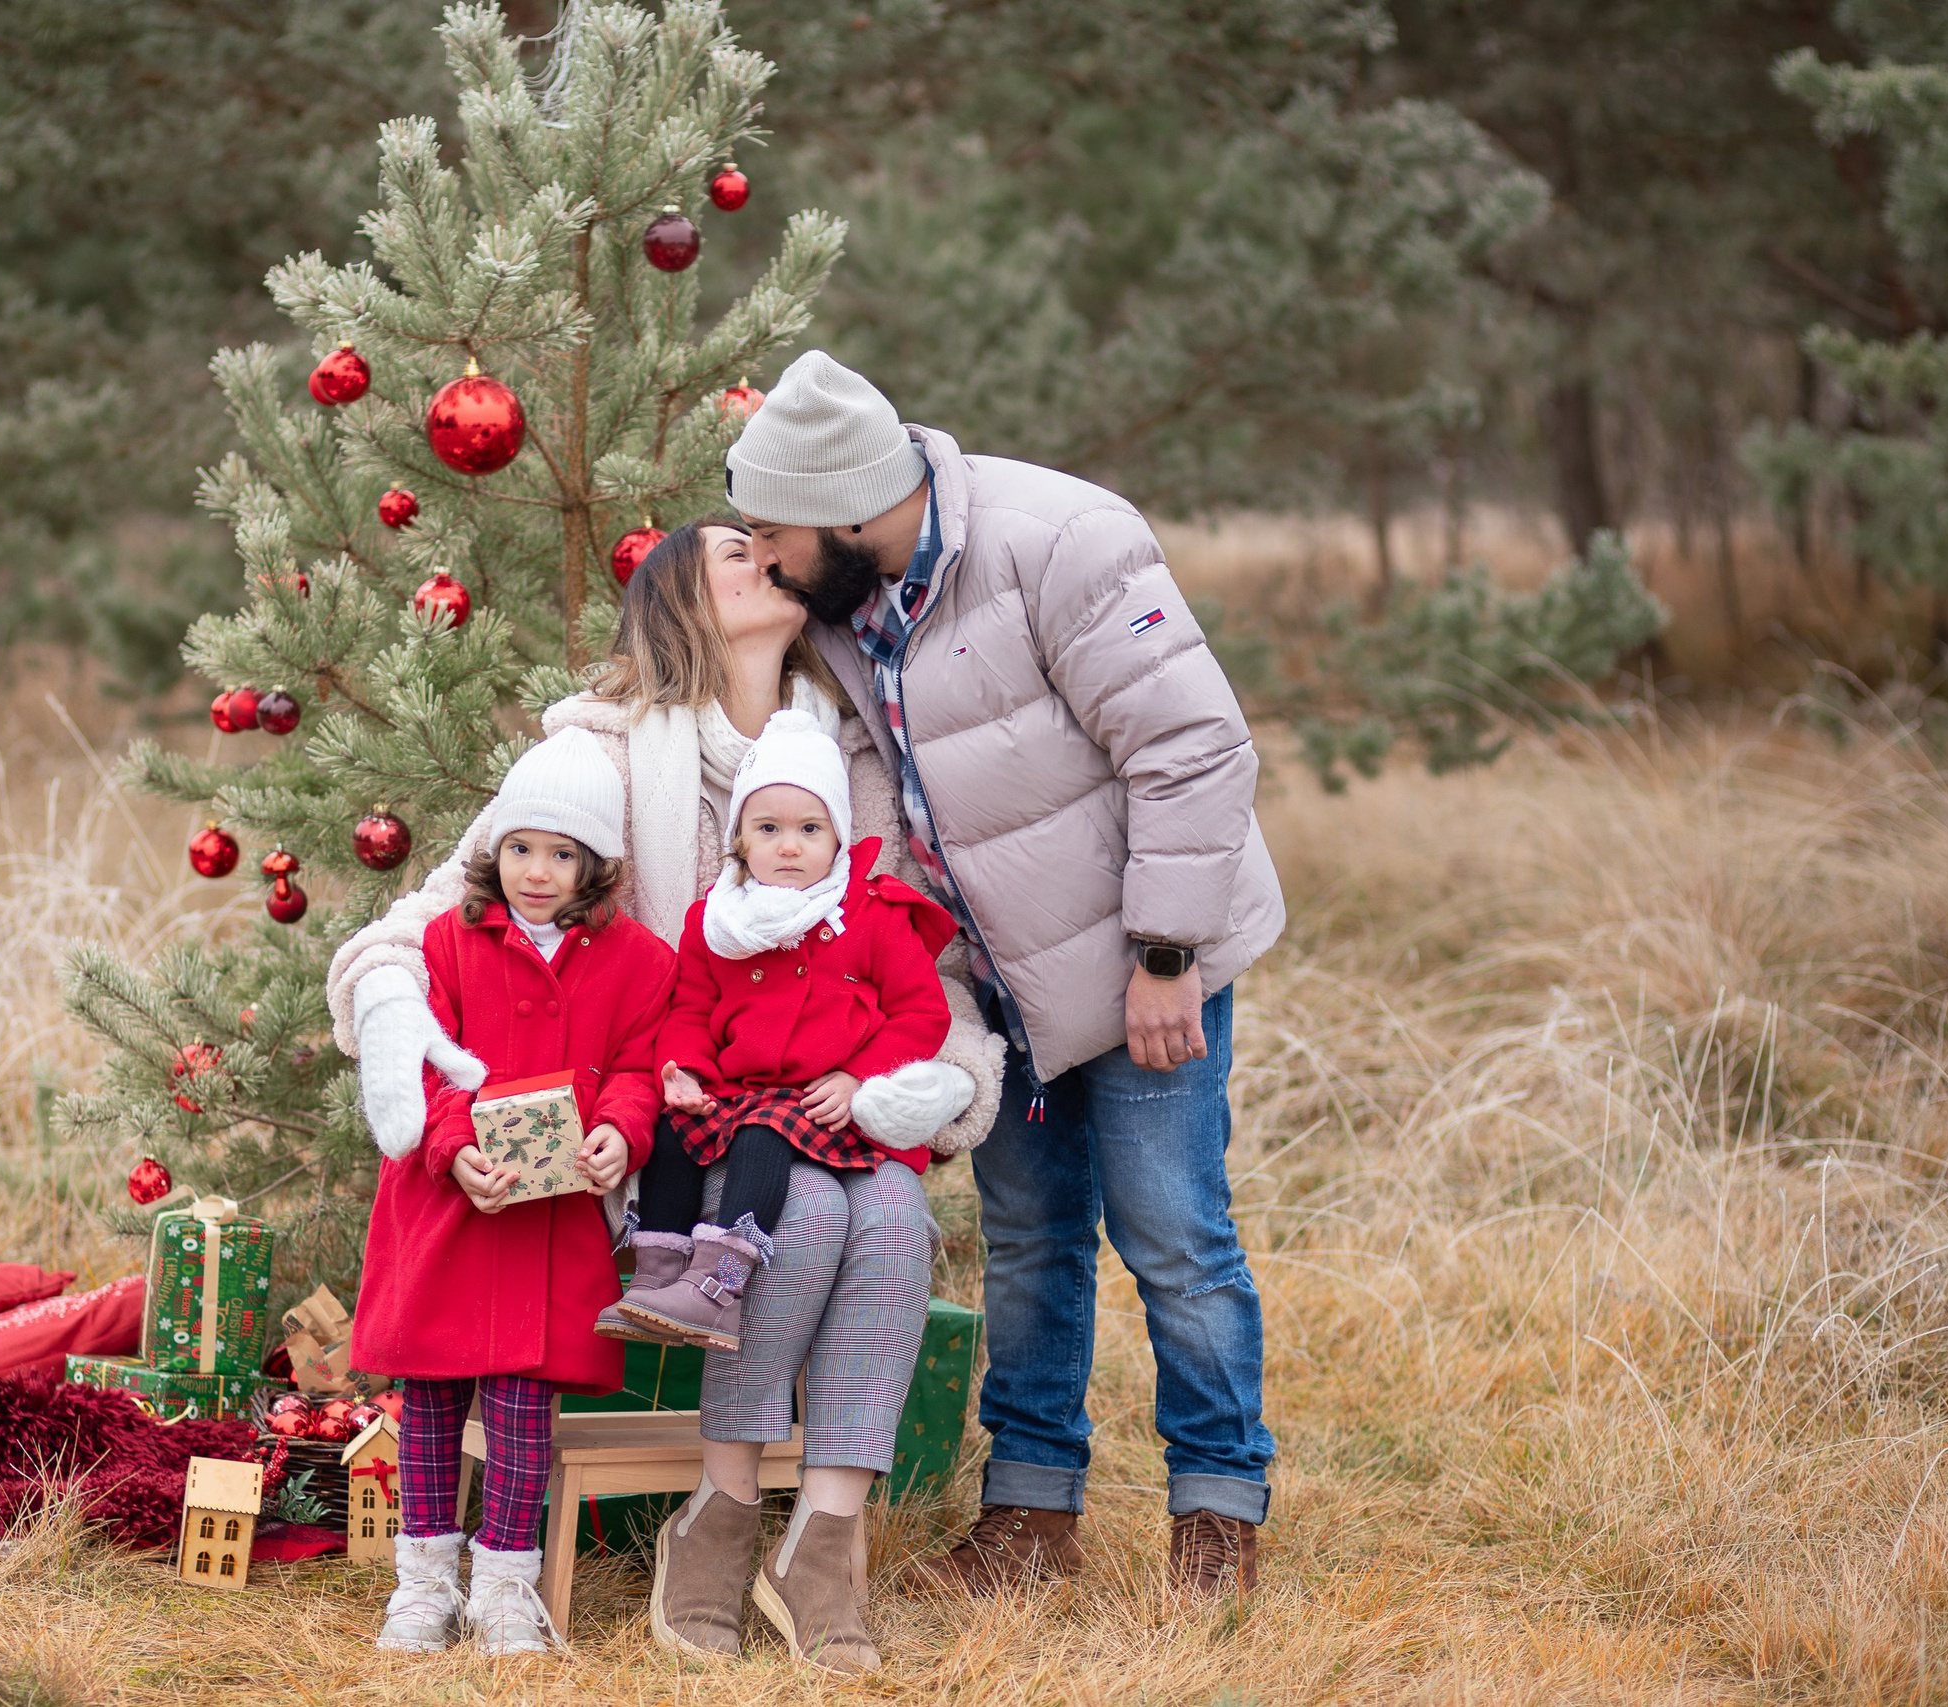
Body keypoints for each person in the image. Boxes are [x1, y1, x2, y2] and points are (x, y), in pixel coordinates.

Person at [329, 520, 1006, 1662]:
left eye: (766, 544)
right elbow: (438, 915)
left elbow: (916, 961)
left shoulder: (849, 757)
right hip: (665, 1125)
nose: (766, 557)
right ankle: (722, 1509)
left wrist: (929, 1081)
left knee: (893, 1217)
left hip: (831, 1102)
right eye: (732, 553)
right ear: (682, 603)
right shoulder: (599, 754)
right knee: (809, 1212)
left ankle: (823, 1539)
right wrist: (393, 1007)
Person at [722, 349, 1288, 1599]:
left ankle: (1216, 1511)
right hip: (993, 983)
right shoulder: (839, 598)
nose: (762, 560)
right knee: (1030, 1241)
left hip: (1142, 957)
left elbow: (1193, 748)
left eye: (772, 534)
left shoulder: (1063, 543)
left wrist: (1164, 954)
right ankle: (1031, 1516)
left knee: (1173, 1233)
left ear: (846, 507)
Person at [351, 728, 673, 1657]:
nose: (536, 871)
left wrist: (621, 1132)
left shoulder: (639, 961)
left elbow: (637, 1068)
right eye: (521, 847)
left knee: (525, 1406)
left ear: (596, 864)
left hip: (550, 1216)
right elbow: (428, 1060)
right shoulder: (448, 941)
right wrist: (452, 1147)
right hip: (448, 1204)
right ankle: (423, 1583)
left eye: (562, 854)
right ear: (495, 848)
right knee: (432, 1398)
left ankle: (504, 1585)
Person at [611, 708, 972, 1357]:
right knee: (672, 1130)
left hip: (820, 1102)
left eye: (810, 828)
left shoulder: (872, 914)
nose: (788, 845)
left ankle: (719, 1285)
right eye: (768, 828)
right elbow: (690, 1008)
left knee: (762, 1132)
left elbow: (923, 1014)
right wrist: (685, 1070)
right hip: (736, 1089)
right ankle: (658, 1276)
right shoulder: (718, 921)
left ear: (838, 837)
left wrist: (860, 1077)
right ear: (740, 839)